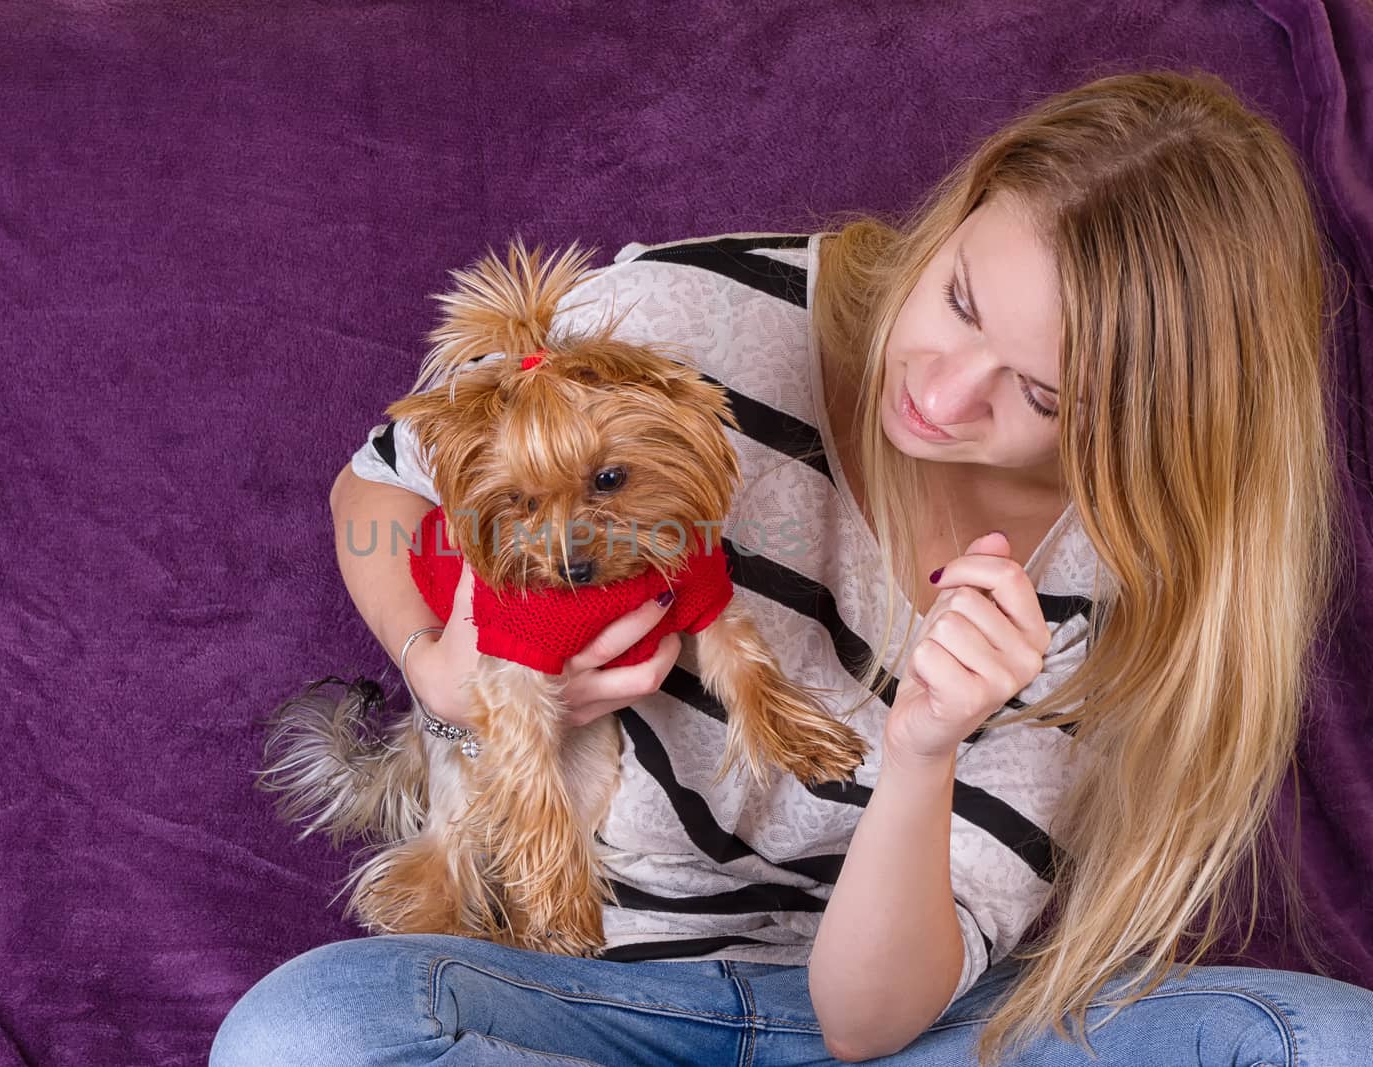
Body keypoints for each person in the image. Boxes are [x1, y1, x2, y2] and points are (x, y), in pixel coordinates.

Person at [211, 70, 1373, 1065]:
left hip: (918, 1017)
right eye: (961, 300)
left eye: (1042, 395)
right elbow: (371, 487)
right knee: (302, 1032)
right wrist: (436, 665)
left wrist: (923, 749)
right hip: (598, 997)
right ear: (962, 207)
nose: (942, 391)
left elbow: (864, 1020)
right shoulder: (688, 322)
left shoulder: (1119, 559)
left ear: (1148, 426)